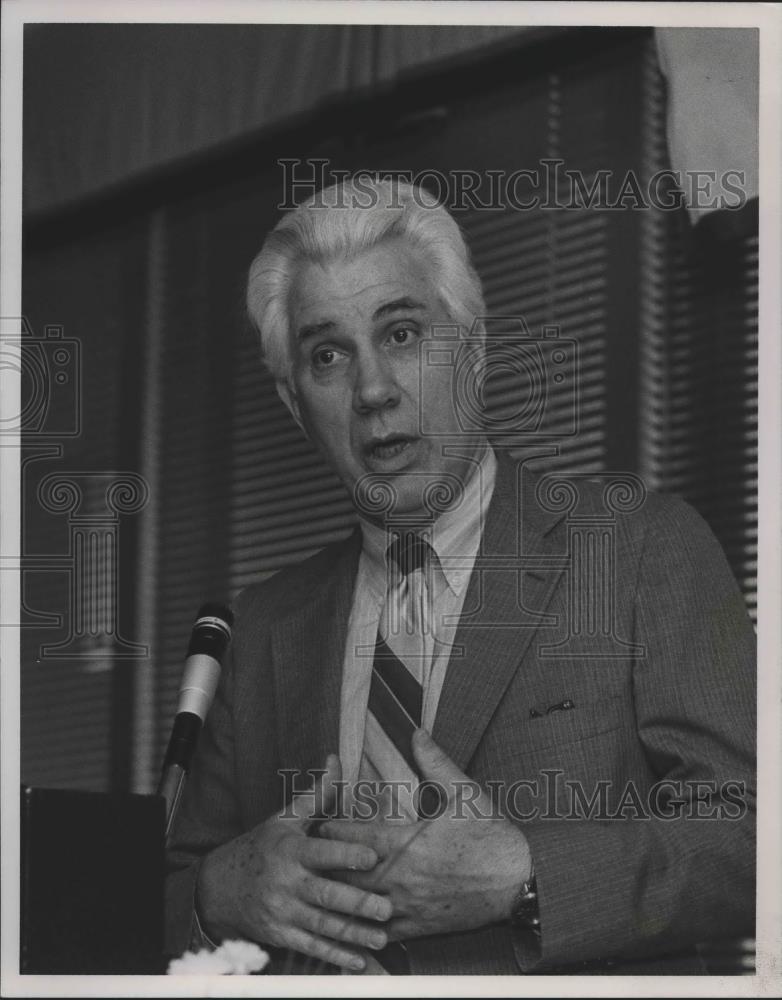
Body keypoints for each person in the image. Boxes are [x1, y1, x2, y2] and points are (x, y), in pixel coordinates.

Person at [165, 178, 756, 975]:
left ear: (472, 353)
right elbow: (162, 892)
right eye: (329, 354)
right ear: (293, 402)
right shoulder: (265, 625)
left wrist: (527, 877)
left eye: (402, 333)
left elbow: (752, 837)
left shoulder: (640, 552)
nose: (373, 390)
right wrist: (219, 894)